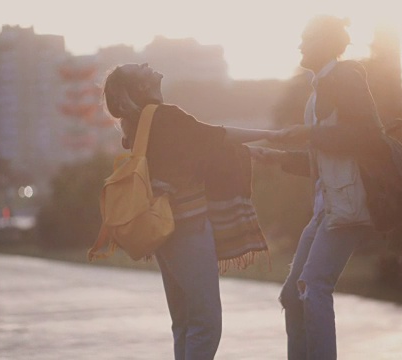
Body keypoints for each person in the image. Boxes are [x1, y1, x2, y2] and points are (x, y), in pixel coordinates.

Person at [94, 63, 273, 360]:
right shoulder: (165, 116)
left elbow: (200, 151)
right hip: (187, 228)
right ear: (142, 87)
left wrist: (261, 151)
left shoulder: (141, 123)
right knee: (207, 323)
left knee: (185, 322)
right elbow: (217, 136)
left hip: (163, 230)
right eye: (142, 68)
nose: (149, 66)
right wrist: (274, 134)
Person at [251, 15, 384, 359]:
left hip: (348, 204)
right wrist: (278, 157)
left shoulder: (346, 78)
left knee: (313, 286)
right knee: (292, 296)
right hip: (326, 206)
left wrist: (309, 134)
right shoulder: (319, 88)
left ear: (324, 44)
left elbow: (369, 135)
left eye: (306, 39)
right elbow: (323, 157)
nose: (299, 45)